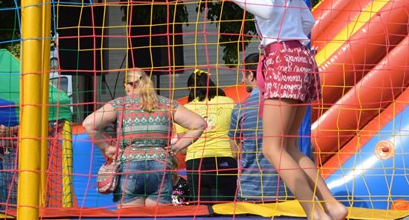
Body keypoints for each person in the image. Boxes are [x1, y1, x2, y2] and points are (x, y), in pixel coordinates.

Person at [206, 0, 348, 220]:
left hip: (282, 58)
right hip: (302, 57)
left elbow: (266, 9)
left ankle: (316, 215)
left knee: (272, 149)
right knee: (293, 148)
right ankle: (332, 206)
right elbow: (308, 18)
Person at [83, 69, 206, 208]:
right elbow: (199, 124)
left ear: (128, 85)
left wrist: (107, 148)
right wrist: (177, 147)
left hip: (130, 166)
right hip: (160, 165)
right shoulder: (167, 104)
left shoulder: (120, 104)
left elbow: (88, 124)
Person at [231, 53, 288, 204]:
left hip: (251, 190)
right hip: (285, 190)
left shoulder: (241, 109)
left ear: (251, 75)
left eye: (243, 75)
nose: (242, 80)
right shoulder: (287, 106)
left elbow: (235, 153)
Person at [180, 70, 238, 203]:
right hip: (225, 160)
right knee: (225, 209)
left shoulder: (185, 109)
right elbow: (236, 133)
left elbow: (183, 149)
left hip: (196, 163)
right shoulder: (229, 102)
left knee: (201, 211)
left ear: (190, 88)